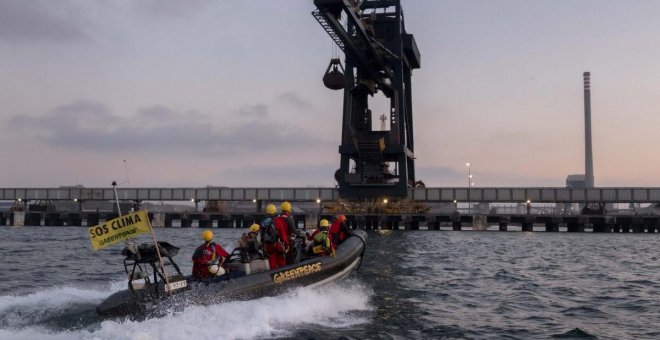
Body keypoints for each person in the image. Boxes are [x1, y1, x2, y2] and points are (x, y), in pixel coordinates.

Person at [262, 204, 289, 269]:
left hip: (269, 245)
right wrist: (286, 244)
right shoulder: (278, 221)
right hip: (278, 244)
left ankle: (272, 275)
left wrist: (264, 245)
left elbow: (262, 235)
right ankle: (283, 275)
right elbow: (283, 234)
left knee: (272, 261)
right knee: (281, 261)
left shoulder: (263, 222)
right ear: (274, 212)